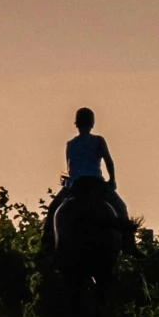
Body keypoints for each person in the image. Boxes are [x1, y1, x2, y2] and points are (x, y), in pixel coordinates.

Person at [44, 107, 130, 250]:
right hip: (96, 184)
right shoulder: (98, 140)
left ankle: (47, 244)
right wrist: (112, 180)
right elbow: (108, 161)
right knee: (121, 207)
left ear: (76, 124)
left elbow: (70, 168)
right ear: (92, 124)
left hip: (76, 185)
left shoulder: (70, 144)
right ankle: (129, 244)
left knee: (53, 208)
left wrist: (66, 184)